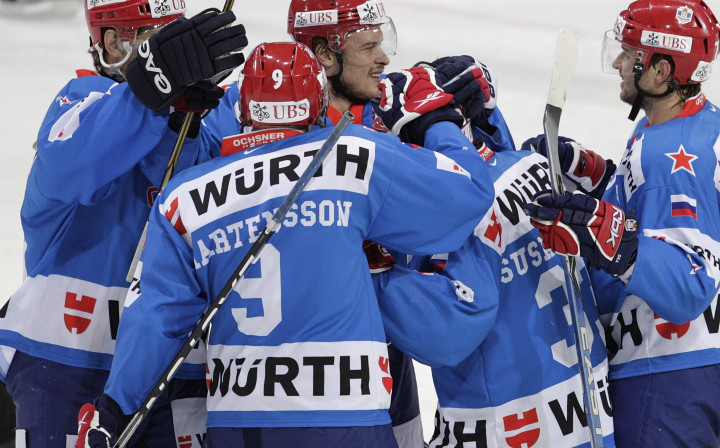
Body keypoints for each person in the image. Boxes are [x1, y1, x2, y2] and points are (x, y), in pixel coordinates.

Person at [76, 40, 494, 448]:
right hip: (344, 416)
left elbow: (155, 318)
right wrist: (437, 122)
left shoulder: (184, 197)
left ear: (243, 111)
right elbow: (468, 196)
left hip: (239, 422)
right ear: (317, 104)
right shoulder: (354, 155)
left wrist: (114, 408)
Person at [0, 1, 247, 446]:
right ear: (114, 43)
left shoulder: (201, 120)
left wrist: (181, 123)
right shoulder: (78, 101)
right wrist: (152, 89)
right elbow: (76, 165)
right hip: (67, 363)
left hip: (175, 369)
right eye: (161, 42)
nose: (178, 55)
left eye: (179, 39)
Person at [526, 1, 720, 446]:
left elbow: (688, 285)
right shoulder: (700, 123)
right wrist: (597, 175)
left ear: (659, 70)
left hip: (671, 371)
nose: (618, 62)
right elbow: (669, 214)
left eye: (630, 54)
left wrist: (611, 238)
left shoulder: (671, 159)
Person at [371, 60, 616, 447]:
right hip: (590, 415)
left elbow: (451, 331)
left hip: (506, 427)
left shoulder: (446, 216)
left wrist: (374, 278)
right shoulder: (534, 166)